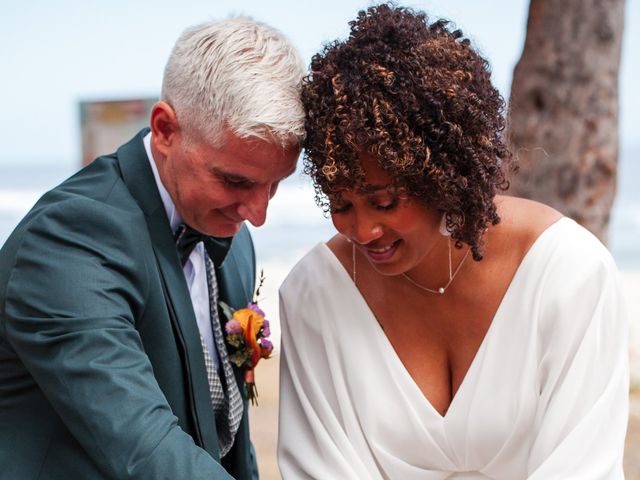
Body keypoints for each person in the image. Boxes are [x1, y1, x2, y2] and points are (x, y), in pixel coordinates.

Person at [278, 4, 629, 478]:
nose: (361, 231)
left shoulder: (568, 274)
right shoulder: (315, 294)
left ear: (442, 176)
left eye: (383, 202)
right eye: (341, 204)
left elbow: (582, 466)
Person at [0, 16, 304, 480]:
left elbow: (227, 436)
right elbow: (144, 446)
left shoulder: (232, 238)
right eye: (235, 181)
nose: (257, 214)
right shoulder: (67, 240)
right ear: (164, 130)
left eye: (274, 185)